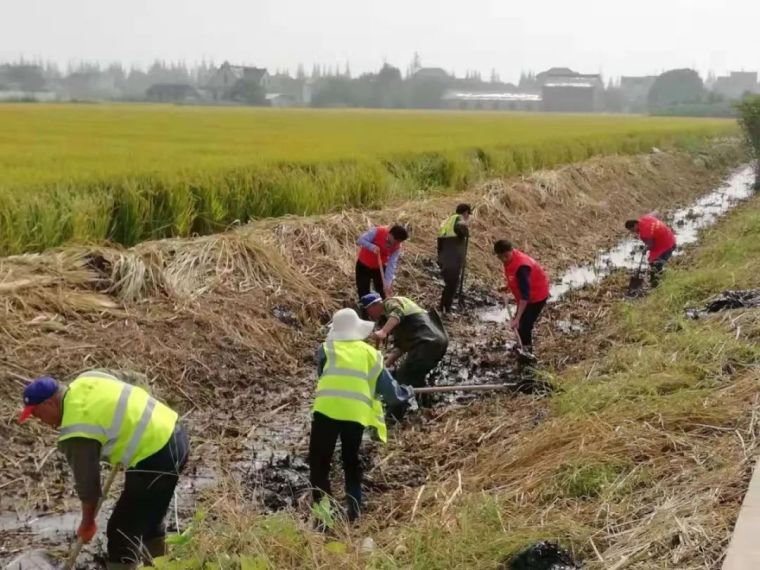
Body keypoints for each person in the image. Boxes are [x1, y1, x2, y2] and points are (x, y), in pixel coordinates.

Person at [18, 370, 189, 570]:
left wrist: (87, 523)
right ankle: (164, 565)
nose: (41, 422)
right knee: (148, 517)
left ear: (49, 403)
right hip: (175, 433)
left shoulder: (76, 430)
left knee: (121, 532)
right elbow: (126, 388)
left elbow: (89, 486)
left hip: (156, 454)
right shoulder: (87, 379)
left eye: (38, 415)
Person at [310, 308, 412, 523]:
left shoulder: (326, 349)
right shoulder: (371, 355)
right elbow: (390, 392)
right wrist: (406, 393)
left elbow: (323, 375)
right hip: (354, 415)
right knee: (350, 461)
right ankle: (354, 513)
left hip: (325, 411)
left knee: (319, 463)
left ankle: (324, 516)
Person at [360, 293, 448, 417]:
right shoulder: (398, 321)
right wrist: (384, 365)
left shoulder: (390, 303)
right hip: (436, 342)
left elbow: (397, 312)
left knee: (402, 379)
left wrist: (384, 331)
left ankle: (393, 417)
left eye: (368, 311)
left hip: (426, 343)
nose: (370, 315)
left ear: (374, 306)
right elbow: (400, 348)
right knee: (416, 376)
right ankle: (426, 408)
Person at [493, 240, 550, 354]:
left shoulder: (522, 266)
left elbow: (525, 295)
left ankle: (528, 352)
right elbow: (516, 278)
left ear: (511, 251)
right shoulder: (511, 258)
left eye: (506, 256)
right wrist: (507, 286)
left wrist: (517, 318)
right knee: (520, 324)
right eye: (500, 257)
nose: (504, 259)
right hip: (527, 293)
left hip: (536, 296)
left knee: (524, 326)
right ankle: (522, 344)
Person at [355, 224, 409, 299]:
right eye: (394, 240)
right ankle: (366, 308)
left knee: (383, 292)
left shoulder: (397, 247)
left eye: (398, 242)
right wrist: (372, 247)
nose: (395, 243)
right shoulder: (377, 231)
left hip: (378, 268)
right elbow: (360, 240)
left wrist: (387, 284)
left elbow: (391, 265)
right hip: (363, 265)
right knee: (363, 291)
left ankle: (385, 307)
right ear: (390, 234)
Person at [437, 204, 472, 313]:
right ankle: (446, 308)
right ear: (465, 212)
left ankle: (444, 306)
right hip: (452, 258)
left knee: (450, 283)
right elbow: (461, 226)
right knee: (452, 284)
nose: (468, 217)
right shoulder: (459, 219)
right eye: (468, 214)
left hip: (445, 257)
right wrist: (466, 229)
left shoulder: (448, 221)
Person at [625, 215, 676, 287]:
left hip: (666, 246)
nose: (634, 232)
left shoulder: (644, 233)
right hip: (670, 238)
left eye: (633, 230)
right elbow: (655, 214)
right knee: (653, 262)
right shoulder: (645, 218)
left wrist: (645, 249)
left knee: (656, 264)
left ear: (635, 225)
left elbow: (651, 245)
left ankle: (655, 285)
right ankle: (656, 280)